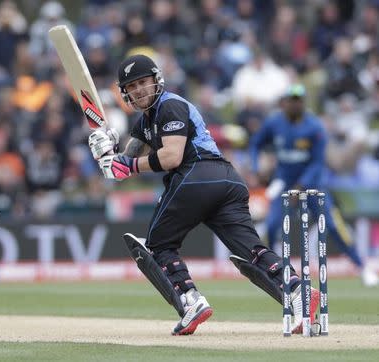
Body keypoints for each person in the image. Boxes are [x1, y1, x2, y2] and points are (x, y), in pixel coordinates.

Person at [88, 54, 318, 335]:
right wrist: (107, 151)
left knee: (158, 245)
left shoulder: (169, 105)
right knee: (251, 250)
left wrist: (127, 164)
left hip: (196, 176)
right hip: (228, 182)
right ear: (125, 93)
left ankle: (190, 300)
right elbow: (124, 163)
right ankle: (297, 289)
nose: (138, 90)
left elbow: (171, 157)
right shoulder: (145, 122)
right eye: (132, 86)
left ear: (156, 80)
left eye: (143, 82)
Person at [250, 84, 378, 287]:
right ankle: (270, 270)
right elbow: (256, 143)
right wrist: (256, 166)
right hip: (285, 183)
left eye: (298, 100)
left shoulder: (314, 126)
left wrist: (301, 187)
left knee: (333, 225)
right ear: (285, 103)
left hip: (313, 186)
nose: (294, 103)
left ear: (303, 103)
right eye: (291, 100)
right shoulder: (274, 123)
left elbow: (318, 163)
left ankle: (362, 267)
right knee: (273, 224)